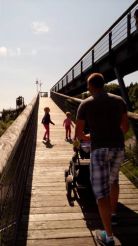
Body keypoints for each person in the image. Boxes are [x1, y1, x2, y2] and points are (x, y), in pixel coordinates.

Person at [75, 73, 129, 246]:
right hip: (118, 148)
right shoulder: (119, 100)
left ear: (90, 86)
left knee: (100, 192)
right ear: (104, 84)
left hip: (99, 150)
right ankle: (112, 215)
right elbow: (125, 128)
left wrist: (93, 136)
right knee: (114, 181)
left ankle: (109, 237)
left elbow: (79, 135)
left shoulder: (86, 104)